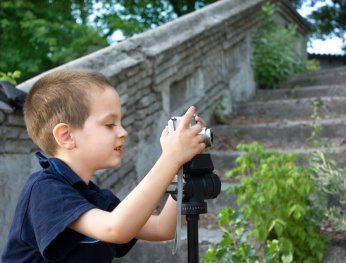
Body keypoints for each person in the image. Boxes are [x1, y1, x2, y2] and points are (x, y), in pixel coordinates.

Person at [2, 69, 206, 262]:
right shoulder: (44, 190)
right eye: (110, 124)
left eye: (120, 122)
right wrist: (169, 158)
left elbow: (164, 228)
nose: (123, 132)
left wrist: (180, 168)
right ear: (66, 136)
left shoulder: (96, 198)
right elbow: (115, 228)